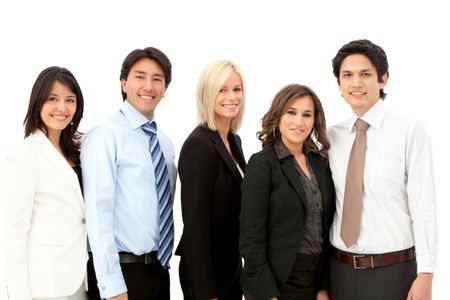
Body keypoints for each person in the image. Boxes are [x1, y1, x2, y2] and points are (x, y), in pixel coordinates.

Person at [327, 39, 438, 299]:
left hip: (394, 273)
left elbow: (424, 207)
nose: (356, 83)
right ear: (339, 85)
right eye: (347, 75)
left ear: (383, 79)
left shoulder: (411, 131)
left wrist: (426, 276)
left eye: (365, 74)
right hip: (338, 271)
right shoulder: (330, 137)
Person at [81, 47, 176, 300]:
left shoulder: (164, 142)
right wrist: (112, 286)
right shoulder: (105, 135)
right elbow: (97, 214)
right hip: (122, 274)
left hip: (158, 271)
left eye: (157, 79)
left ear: (165, 89)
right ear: (124, 83)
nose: (149, 86)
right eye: (139, 76)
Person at [240, 84, 336, 300]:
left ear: (314, 120)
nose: (298, 122)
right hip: (278, 283)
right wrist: (268, 295)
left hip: (314, 281)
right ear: (278, 115)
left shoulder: (320, 163)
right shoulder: (262, 164)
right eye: (291, 112)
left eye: (307, 115)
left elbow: (326, 228)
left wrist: (323, 288)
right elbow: (251, 238)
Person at [5, 66, 87, 300]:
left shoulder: (77, 152)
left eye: (70, 100)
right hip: (47, 285)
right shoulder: (26, 154)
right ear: (38, 102)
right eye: (53, 99)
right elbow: (15, 234)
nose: (62, 108)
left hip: (81, 278)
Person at [175, 60, 246, 300]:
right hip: (207, 275)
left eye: (237, 89)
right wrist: (206, 293)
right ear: (207, 94)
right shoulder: (199, 145)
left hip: (231, 268)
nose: (232, 96)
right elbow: (195, 226)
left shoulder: (234, 142)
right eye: (222, 90)